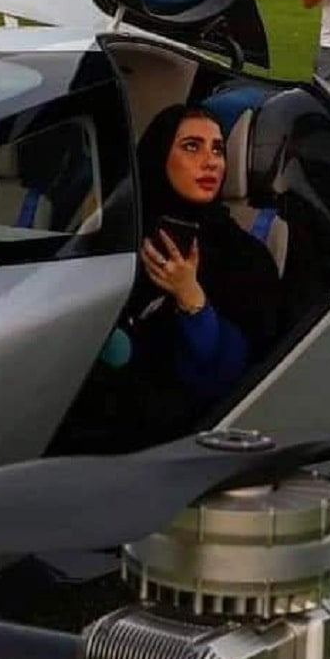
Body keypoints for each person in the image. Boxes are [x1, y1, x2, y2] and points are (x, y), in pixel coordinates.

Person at [57, 105, 280, 451]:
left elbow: (231, 381)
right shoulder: (116, 231)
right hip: (79, 408)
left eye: (218, 149)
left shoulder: (245, 257)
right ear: (159, 156)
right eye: (192, 146)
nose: (211, 162)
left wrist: (191, 298)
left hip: (183, 435)